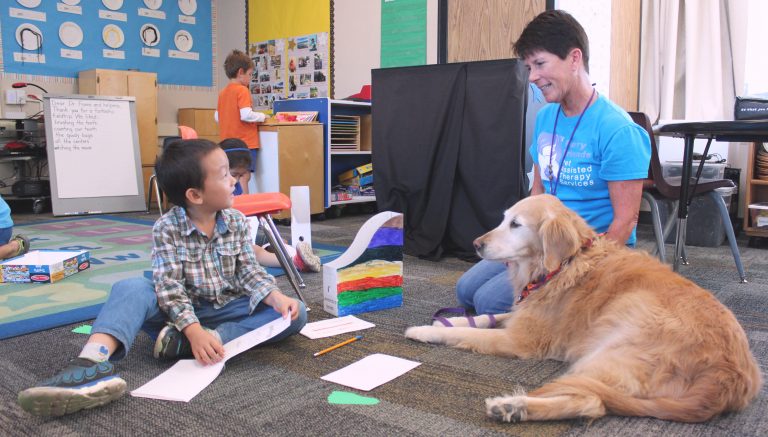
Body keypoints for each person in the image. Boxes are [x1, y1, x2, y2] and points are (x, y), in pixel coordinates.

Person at [17, 139, 308, 417]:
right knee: (131, 287)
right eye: (224, 175)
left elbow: (248, 270)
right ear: (195, 195)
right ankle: (90, 363)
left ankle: (210, 340)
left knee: (296, 313)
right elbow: (168, 288)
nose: (234, 180)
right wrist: (193, 329)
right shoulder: (167, 228)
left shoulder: (235, 221)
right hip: (178, 312)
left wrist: (275, 296)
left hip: (228, 307)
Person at [455, 10, 651, 315]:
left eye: (541, 64)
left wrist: (580, 272)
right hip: (540, 243)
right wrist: (514, 243)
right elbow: (536, 195)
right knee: (465, 291)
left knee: (487, 302)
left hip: (585, 250)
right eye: (529, 67)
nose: (532, 77)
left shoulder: (618, 130)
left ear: (574, 59)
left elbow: (625, 222)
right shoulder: (546, 117)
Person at [220, 138, 321, 273]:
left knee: (276, 240)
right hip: (226, 237)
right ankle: (295, 261)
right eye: (233, 175)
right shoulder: (215, 189)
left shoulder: (235, 185)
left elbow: (243, 208)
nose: (236, 180)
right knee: (254, 251)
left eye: (241, 175)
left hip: (243, 230)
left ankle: (284, 251)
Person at [216, 49, 267, 195]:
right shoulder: (242, 90)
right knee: (244, 175)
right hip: (245, 143)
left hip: (227, 143)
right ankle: (245, 209)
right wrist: (262, 117)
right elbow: (245, 114)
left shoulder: (222, 93)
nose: (250, 78)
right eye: (250, 74)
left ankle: (233, 204)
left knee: (232, 175)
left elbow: (217, 117)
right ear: (240, 72)